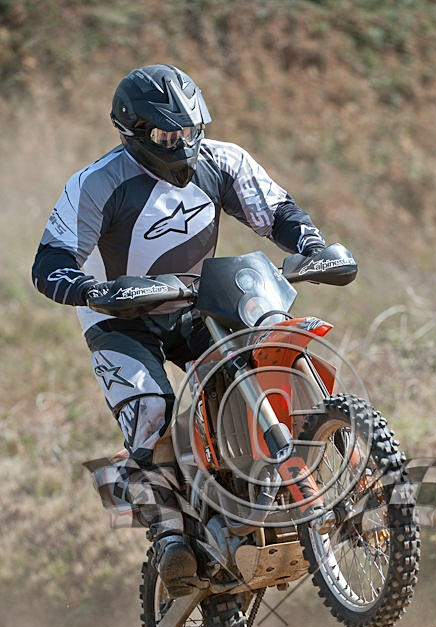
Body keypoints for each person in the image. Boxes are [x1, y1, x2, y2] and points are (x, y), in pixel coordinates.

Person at [32, 63, 329, 596]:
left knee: (265, 357)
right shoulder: (97, 183)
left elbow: (278, 211)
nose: (184, 144)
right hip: (120, 317)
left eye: (192, 131)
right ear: (133, 132)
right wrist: (90, 290)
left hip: (196, 301)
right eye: (169, 135)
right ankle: (169, 533)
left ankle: (307, 473)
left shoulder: (224, 160)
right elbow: (49, 263)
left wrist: (312, 245)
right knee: (151, 409)